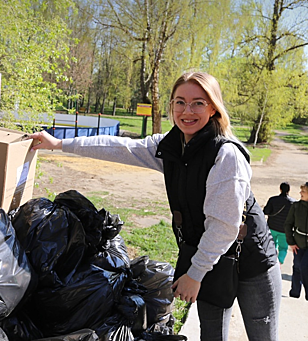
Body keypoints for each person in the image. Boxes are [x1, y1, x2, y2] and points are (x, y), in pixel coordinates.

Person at [28, 72, 280, 340]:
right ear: (171, 105)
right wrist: (59, 144)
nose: (187, 111)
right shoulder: (170, 147)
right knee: (212, 335)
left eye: (198, 103)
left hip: (252, 261)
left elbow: (225, 225)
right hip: (209, 258)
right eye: (180, 102)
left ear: (214, 107)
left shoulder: (226, 154)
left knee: (262, 336)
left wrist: (195, 274)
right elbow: (120, 147)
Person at [283, 182, 308, 300]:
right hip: (298, 243)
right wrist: (291, 242)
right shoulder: (296, 206)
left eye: (303, 191)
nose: (300, 193)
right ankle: (294, 293)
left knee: (304, 266)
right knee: (297, 267)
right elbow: (288, 224)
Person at [264, 182, 295, 265]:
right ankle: (279, 263)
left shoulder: (273, 199)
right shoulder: (293, 203)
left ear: (280, 189)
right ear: (289, 190)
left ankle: (270, 261)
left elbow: (266, 211)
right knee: (283, 248)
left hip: (272, 227)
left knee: (271, 245)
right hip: (284, 230)